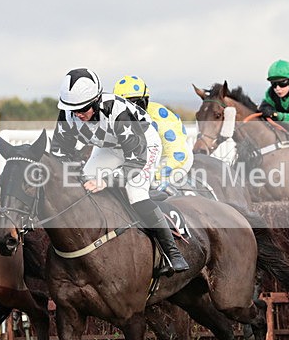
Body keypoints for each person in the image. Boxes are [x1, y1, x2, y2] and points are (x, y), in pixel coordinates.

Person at [50, 68, 189, 275]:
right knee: (85, 180)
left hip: (142, 145)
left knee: (136, 193)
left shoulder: (119, 112)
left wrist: (107, 181)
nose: (78, 115)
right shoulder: (69, 114)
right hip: (111, 146)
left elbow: (135, 159)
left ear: (96, 101)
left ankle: (173, 253)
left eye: (83, 109)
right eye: (73, 110)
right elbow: (60, 153)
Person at [112, 75, 193, 194]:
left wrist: (155, 175)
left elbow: (177, 154)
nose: (131, 110)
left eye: (136, 103)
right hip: (143, 158)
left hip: (174, 156)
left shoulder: (158, 119)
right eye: (123, 105)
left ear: (145, 101)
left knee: (149, 183)